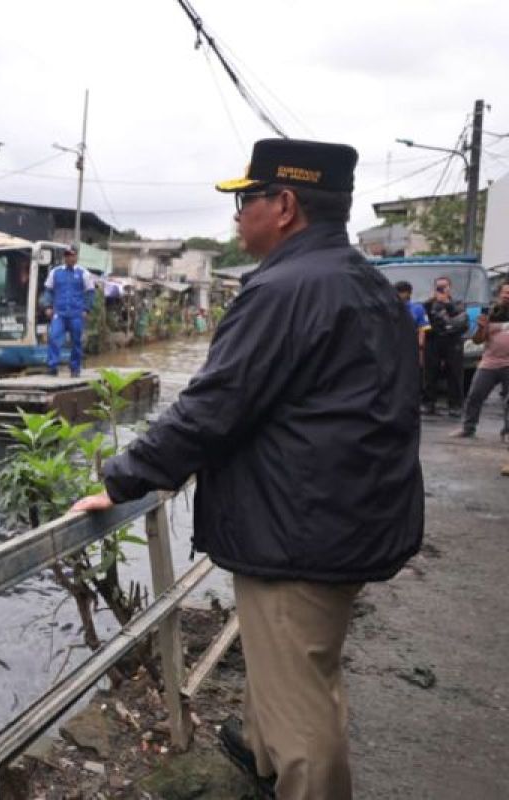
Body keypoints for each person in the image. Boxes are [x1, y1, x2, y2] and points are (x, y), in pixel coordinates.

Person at [72, 139, 423, 800]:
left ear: (284, 204)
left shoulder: (283, 290)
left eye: (245, 199)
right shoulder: (363, 282)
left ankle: (291, 773)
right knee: (304, 669)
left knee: (303, 712)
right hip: (346, 515)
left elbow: (211, 408)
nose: (237, 216)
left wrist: (120, 480)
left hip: (301, 531)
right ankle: (262, 753)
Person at [452, 281, 509, 441]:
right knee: (475, 395)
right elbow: (478, 341)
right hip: (490, 362)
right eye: (505, 292)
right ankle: (468, 428)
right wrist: (481, 327)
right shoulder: (491, 312)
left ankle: (507, 431)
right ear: (499, 294)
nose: (507, 296)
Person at [41, 245, 96, 377]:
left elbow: (90, 293)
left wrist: (86, 309)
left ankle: (75, 368)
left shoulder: (84, 273)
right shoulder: (55, 272)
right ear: (64, 257)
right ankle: (52, 367)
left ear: (76, 257)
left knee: (76, 341)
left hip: (76, 314)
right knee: (54, 337)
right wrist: (47, 306)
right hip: (59, 313)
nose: (69, 257)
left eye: (72, 255)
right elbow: (48, 290)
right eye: (67, 255)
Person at [421, 275, 468, 416]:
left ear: (450, 288)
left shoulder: (458, 303)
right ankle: (428, 403)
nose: (441, 289)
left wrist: (446, 304)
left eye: (444, 286)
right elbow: (422, 322)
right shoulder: (427, 304)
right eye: (439, 287)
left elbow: (462, 322)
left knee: (454, 373)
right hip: (433, 340)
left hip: (452, 342)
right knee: (430, 373)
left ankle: (455, 406)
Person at [394, 280, 430, 366]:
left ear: (408, 293)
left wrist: (420, 349)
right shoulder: (389, 308)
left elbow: (422, 329)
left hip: (411, 347)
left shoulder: (417, 308)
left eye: (401, 292)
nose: (399, 295)